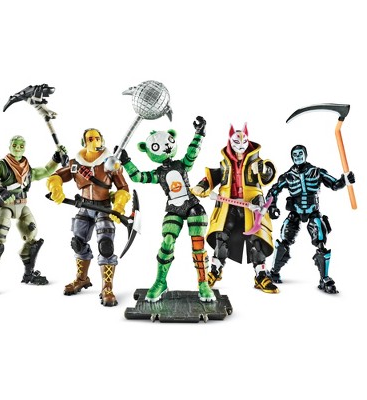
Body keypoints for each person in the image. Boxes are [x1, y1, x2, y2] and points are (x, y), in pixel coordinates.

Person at [120, 116, 215, 302]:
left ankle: (203, 283)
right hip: (173, 208)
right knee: (168, 241)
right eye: (157, 146)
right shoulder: (158, 173)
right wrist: (126, 161)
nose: (165, 148)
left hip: (193, 205)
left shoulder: (181, 165)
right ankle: (160, 282)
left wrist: (199, 133)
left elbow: (192, 153)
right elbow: (138, 177)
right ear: (147, 150)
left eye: (168, 142)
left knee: (198, 244)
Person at [47, 128, 130, 306]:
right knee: (78, 243)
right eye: (90, 139)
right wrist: (56, 188)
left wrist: (119, 205)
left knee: (106, 246)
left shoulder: (110, 163)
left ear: (102, 140)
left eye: (97, 138)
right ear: (84, 142)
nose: (94, 141)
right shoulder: (76, 163)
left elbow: (123, 187)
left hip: (104, 208)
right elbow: (57, 175)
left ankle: (107, 287)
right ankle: (81, 278)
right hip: (84, 207)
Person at [192, 123, 279, 293]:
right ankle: (215, 271)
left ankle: (261, 275)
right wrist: (202, 186)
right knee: (221, 237)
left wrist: (263, 169)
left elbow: (268, 175)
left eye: (243, 143)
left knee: (256, 239)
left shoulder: (256, 162)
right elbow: (214, 176)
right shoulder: (225, 163)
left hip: (252, 205)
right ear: (230, 143)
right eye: (236, 143)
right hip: (227, 205)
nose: (240, 148)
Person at [0, 135, 65, 295]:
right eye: (15, 145)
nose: (18, 148)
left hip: (22, 205)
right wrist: (0, 190)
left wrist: (56, 159)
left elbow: (46, 171)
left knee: (32, 234)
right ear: (10, 146)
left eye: (21, 146)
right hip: (6, 205)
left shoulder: (28, 169)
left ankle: (28, 274)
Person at [266, 144, 355, 294]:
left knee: (320, 241)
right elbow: (273, 191)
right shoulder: (288, 176)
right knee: (284, 240)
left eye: (300, 154)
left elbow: (334, 184)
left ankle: (324, 278)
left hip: (313, 212)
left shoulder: (316, 172)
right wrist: (272, 206)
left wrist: (345, 180)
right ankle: (274, 272)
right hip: (295, 212)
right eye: (295, 155)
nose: (298, 157)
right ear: (291, 157)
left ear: (305, 155)